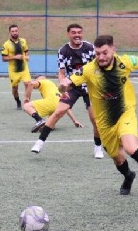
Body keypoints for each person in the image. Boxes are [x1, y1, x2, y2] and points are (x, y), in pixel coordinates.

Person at [59, 35, 138, 202]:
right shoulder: (88, 69)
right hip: (105, 123)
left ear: (113, 49)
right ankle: (128, 176)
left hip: (125, 113)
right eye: (97, 53)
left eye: (105, 52)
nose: (101, 57)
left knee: (131, 148)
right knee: (118, 159)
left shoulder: (125, 62)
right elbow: (67, 83)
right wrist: (63, 86)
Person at [31, 23, 104, 159]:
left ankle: (98, 147)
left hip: (90, 86)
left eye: (79, 32)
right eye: (74, 32)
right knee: (58, 112)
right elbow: (61, 72)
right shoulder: (63, 51)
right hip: (72, 86)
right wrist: (63, 84)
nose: (77, 35)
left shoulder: (90, 48)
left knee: (94, 119)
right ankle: (39, 143)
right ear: (68, 34)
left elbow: (98, 67)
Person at [1, 24, 31, 110]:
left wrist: (27, 56)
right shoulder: (6, 44)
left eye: (16, 31)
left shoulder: (23, 41)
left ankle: (27, 103)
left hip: (24, 68)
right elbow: (3, 58)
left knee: (28, 84)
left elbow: (26, 51)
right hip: (13, 70)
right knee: (15, 88)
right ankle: (18, 101)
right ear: (10, 32)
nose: (15, 33)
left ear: (18, 31)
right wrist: (15, 57)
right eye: (13, 31)